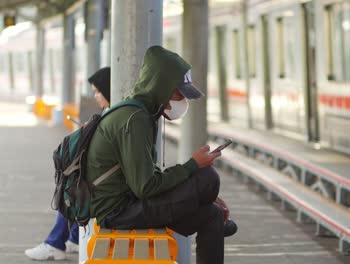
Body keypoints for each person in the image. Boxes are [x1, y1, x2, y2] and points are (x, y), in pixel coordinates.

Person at [86, 46, 237, 264]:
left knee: (211, 214)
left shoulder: (141, 114)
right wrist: (193, 165)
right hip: (119, 212)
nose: (182, 99)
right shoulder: (134, 119)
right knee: (208, 177)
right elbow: (145, 187)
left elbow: (147, 179)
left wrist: (206, 196)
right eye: (178, 92)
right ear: (161, 87)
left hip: (129, 203)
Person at [25, 67, 111, 261]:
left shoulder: (114, 116)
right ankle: (72, 239)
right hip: (108, 181)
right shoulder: (111, 113)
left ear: (108, 90)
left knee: (72, 189)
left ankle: (55, 243)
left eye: (98, 91)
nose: (96, 96)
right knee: (75, 184)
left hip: (112, 190)